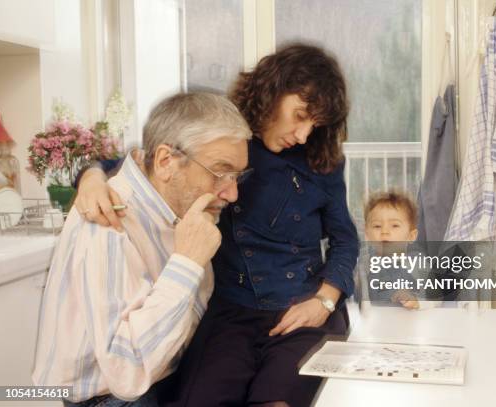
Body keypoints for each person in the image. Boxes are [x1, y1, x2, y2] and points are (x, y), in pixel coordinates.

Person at [74, 43, 359, 407]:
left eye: (314, 125)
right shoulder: (220, 133)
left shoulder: (323, 161)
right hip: (229, 311)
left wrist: (324, 300)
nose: (304, 134)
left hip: (300, 308)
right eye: (300, 115)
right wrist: (93, 178)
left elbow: (345, 240)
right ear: (274, 90)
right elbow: (139, 162)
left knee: (276, 401)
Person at [32, 93, 251, 406]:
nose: (232, 193)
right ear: (165, 162)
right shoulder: (107, 222)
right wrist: (187, 264)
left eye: (238, 175)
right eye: (220, 172)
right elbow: (127, 372)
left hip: (167, 378)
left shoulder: (180, 207)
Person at [363, 190, 424, 310]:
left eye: (395, 225)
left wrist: (417, 301)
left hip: (409, 322)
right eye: (377, 226)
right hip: (375, 323)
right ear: (367, 235)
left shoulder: (417, 263)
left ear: (411, 236)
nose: (384, 231)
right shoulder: (364, 264)